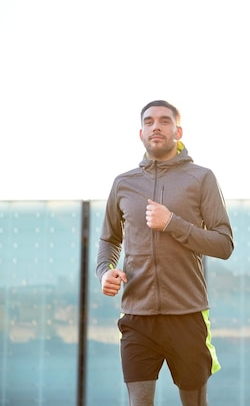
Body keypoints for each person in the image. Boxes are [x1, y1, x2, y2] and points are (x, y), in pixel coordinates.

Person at [96, 100, 234, 406]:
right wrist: (106, 270)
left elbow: (224, 244)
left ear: (178, 130)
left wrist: (173, 223)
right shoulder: (124, 183)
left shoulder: (201, 178)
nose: (155, 126)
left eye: (164, 121)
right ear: (141, 133)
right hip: (137, 316)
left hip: (187, 314)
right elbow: (109, 240)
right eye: (148, 122)